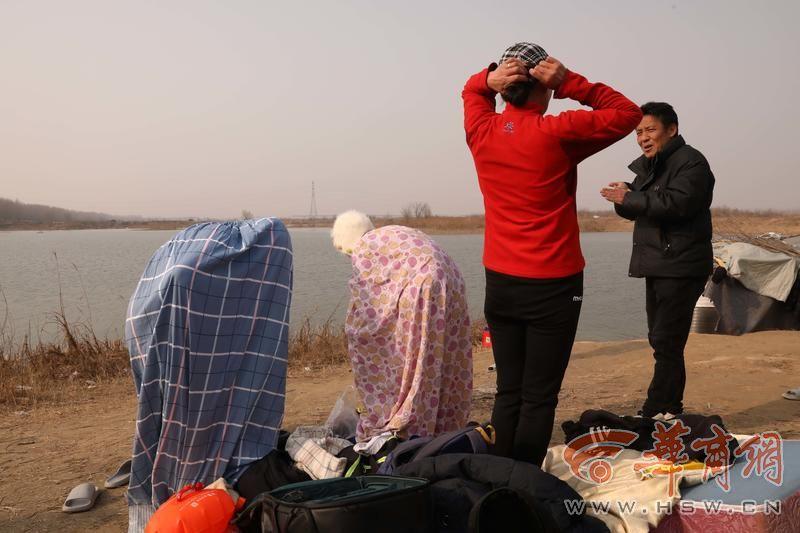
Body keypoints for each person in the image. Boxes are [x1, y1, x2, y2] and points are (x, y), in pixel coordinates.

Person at [462, 42, 641, 465]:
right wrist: (570, 82)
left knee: (508, 391)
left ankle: (497, 478)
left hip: (501, 281)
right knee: (539, 397)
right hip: (554, 285)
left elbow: (471, 92)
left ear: (505, 88)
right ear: (544, 87)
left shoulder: (481, 130)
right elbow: (628, 114)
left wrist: (486, 80)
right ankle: (524, 484)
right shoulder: (559, 132)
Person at [124, 218, 293, 531]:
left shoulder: (180, 264)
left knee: (185, 415)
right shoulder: (200, 276)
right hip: (181, 325)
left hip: (167, 319)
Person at [601, 101, 715, 418]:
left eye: (650, 130)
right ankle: (666, 408)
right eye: (638, 133)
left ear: (672, 129)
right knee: (661, 339)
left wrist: (631, 196)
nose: (643, 138)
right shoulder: (654, 166)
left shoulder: (691, 162)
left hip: (681, 264)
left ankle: (661, 408)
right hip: (660, 263)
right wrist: (626, 193)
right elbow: (640, 206)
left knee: (667, 341)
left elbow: (677, 204)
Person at [331, 210, 473, 443]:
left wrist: (359, 338)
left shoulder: (364, 248)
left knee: (412, 358)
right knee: (437, 356)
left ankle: (405, 426)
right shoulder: (392, 233)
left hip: (423, 286)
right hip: (451, 280)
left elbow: (365, 309)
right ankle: (441, 425)